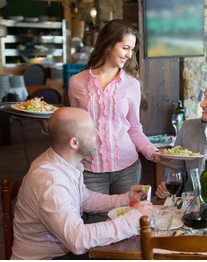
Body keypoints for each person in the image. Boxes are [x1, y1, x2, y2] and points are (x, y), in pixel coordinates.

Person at [11, 107, 152, 260]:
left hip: (63, 254)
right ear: (74, 142)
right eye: (92, 131)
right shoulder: (51, 181)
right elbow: (78, 240)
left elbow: (85, 199)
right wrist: (132, 219)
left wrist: (126, 199)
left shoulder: (62, 162)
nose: (98, 134)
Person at [68, 19, 158, 197]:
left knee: (125, 221)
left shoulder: (131, 84)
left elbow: (134, 129)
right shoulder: (77, 82)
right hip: (90, 171)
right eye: (125, 48)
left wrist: (154, 153)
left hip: (127, 170)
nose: (129, 55)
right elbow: (73, 127)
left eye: (132, 49)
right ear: (108, 44)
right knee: (97, 223)